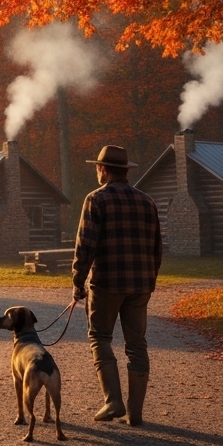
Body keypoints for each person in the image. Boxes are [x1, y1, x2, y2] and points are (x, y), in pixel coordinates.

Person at [70, 144, 162, 426]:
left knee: (100, 337)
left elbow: (85, 245)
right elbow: (157, 248)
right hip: (141, 284)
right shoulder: (147, 201)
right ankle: (135, 414)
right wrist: (149, 281)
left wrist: (78, 281)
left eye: (98, 167)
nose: (97, 171)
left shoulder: (96, 199)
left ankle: (113, 400)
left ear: (103, 170)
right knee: (137, 345)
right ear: (125, 172)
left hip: (107, 282)